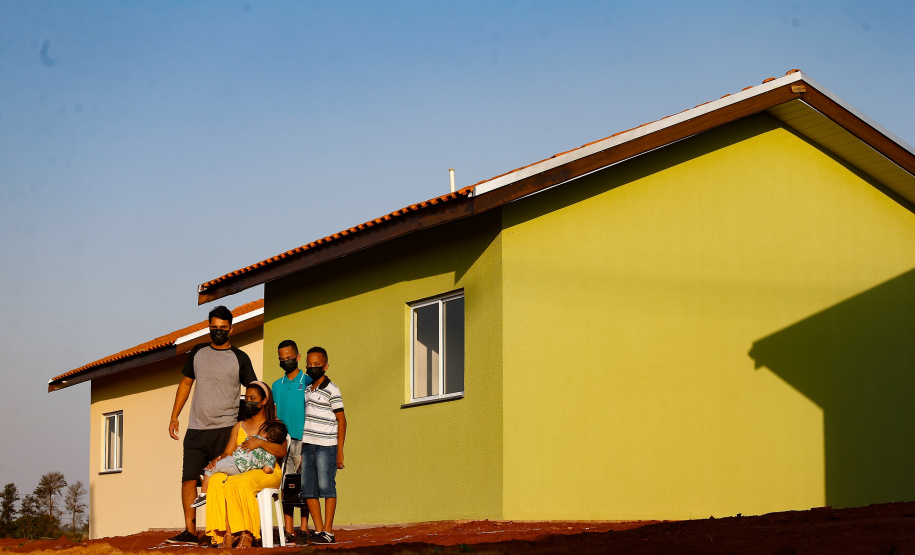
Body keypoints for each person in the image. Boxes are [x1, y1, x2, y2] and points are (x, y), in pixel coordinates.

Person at [167, 305, 257, 545]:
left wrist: (251, 424)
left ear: (231, 329)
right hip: (196, 428)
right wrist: (175, 415)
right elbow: (185, 385)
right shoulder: (197, 352)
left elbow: (253, 391)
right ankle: (189, 531)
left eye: (223, 328)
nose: (218, 332)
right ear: (209, 327)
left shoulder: (240, 358)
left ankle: (226, 532)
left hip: (226, 429)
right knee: (188, 479)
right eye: (214, 328)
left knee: (222, 479)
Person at [205, 381, 287, 548]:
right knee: (215, 480)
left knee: (241, 482)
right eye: (247, 397)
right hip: (240, 467)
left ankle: (247, 533)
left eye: (253, 398)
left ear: (264, 401)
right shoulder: (239, 426)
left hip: (267, 471)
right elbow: (228, 453)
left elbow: (282, 451)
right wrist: (217, 460)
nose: (248, 401)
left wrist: (260, 443)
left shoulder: (274, 425)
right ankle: (225, 533)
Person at [300, 346, 346, 544]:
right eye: (309, 364)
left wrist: (340, 452)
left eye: (317, 364)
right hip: (307, 444)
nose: (312, 368)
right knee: (308, 489)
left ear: (325, 366)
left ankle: (328, 531)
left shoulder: (332, 390)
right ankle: (318, 530)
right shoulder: (308, 390)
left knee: (327, 487)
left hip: (327, 446)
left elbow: (342, 421)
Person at [191, 420, 288, 508]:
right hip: (242, 470)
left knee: (210, 469)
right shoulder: (271, 455)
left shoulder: (254, 438)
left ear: (265, 432)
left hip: (235, 461)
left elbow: (239, 447)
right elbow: (267, 469)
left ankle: (203, 494)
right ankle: (208, 482)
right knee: (221, 473)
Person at [271, 340, 313, 544]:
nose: (286, 361)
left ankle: (304, 528)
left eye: (289, 358)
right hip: (285, 443)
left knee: (305, 486)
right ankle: (288, 529)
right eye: (282, 359)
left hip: (305, 439)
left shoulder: (308, 381)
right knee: (287, 486)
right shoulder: (276, 386)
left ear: (298, 357)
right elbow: (276, 414)